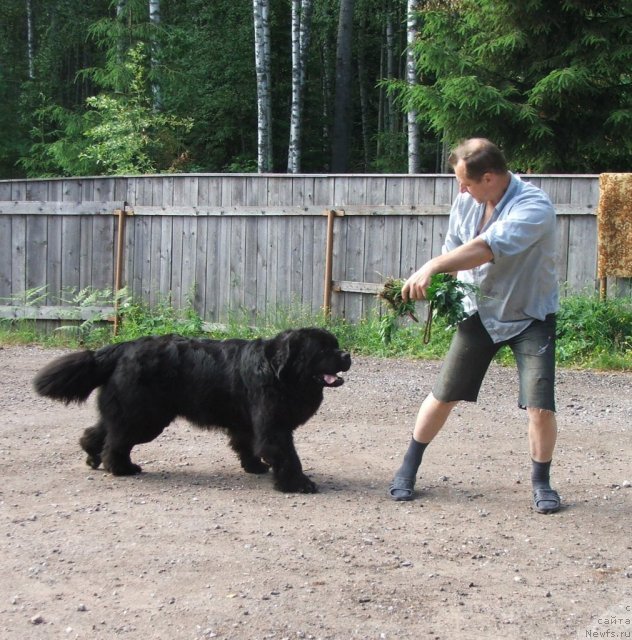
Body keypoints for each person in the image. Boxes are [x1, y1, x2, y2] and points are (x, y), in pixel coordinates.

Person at [388, 138, 561, 514]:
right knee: (444, 393)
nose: (460, 190)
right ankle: (408, 468)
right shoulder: (467, 200)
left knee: (540, 404)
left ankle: (541, 483)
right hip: (480, 312)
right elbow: (456, 246)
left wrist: (431, 266)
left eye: (465, 183)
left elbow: (487, 247)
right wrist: (439, 283)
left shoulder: (533, 206)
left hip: (530, 314)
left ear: (489, 177)